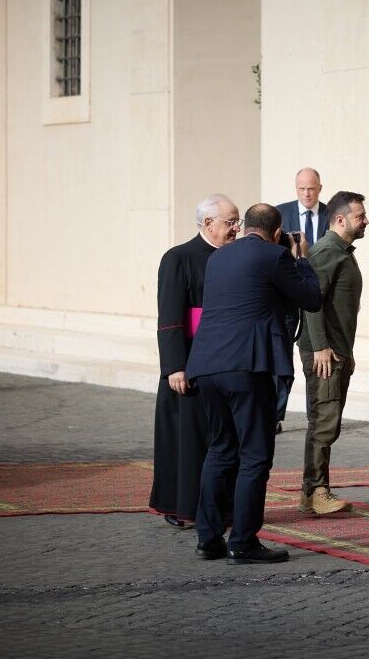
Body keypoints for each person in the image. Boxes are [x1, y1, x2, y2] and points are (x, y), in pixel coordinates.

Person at [185, 203, 321, 564]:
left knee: (220, 449)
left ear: (245, 226)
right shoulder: (275, 256)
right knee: (255, 455)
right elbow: (311, 297)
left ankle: (208, 539)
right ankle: (243, 541)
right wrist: (301, 258)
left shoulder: (219, 258)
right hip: (247, 367)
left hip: (207, 364)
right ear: (277, 232)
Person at [149, 194, 241, 527]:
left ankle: (221, 507)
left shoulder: (233, 256)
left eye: (238, 222)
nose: (236, 228)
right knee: (187, 443)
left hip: (223, 362)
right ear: (208, 223)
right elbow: (170, 316)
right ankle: (182, 507)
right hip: (188, 364)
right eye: (230, 222)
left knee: (220, 441)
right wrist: (174, 365)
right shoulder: (179, 258)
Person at [297, 191, 368, 516]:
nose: (366, 220)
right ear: (340, 220)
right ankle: (316, 491)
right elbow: (312, 301)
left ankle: (312, 490)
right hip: (324, 353)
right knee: (324, 421)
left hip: (338, 351)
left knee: (327, 421)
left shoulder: (341, 251)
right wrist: (322, 347)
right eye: (359, 216)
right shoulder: (327, 251)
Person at [274, 167, 330, 433]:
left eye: (312, 188)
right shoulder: (279, 214)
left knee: (315, 356)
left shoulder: (333, 215)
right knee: (280, 359)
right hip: (286, 297)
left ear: (320, 187)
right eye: (302, 189)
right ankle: (275, 415)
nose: (307, 193)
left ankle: (316, 414)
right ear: (296, 188)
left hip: (317, 297)